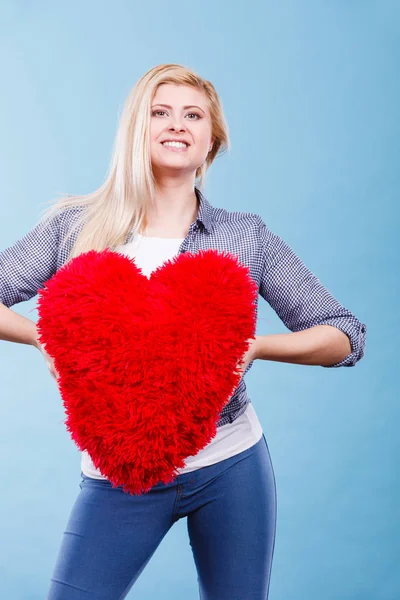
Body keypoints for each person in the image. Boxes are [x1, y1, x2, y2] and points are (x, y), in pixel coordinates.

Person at [0, 63, 367, 600]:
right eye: (161, 112)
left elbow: (345, 336)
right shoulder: (74, 227)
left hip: (231, 466)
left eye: (193, 115)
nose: (178, 125)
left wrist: (255, 348)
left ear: (211, 140)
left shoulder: (246, 236)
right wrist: (43, 337)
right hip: (121, 471)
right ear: (136, 129)